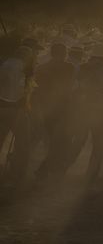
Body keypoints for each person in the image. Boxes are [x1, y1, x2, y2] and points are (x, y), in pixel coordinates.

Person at [67, 43, 103, 181]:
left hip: (83, 109)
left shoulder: (81, 68)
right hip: (98, 110)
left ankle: (63, 167)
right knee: (98, 144)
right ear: (102, 58)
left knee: (78, 141)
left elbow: (72, 88)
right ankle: (90, 175)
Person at [33, 43, 76, 179]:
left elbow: (36, 89)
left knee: (54, 139)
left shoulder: (42, 68)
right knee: (59, 140)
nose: (65, 55)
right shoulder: (69, 67)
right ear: (63, 53)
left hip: (47, 108)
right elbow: (69, 87)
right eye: (64, 53)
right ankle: (46, 169)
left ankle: (50, 168)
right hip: (61, 108)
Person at [0, 45, 34, 186]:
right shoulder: (26, 69)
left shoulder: (3, 64)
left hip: (1, 106)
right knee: (23, 143)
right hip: (16, 109)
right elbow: (25, 90)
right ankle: (17, 174)